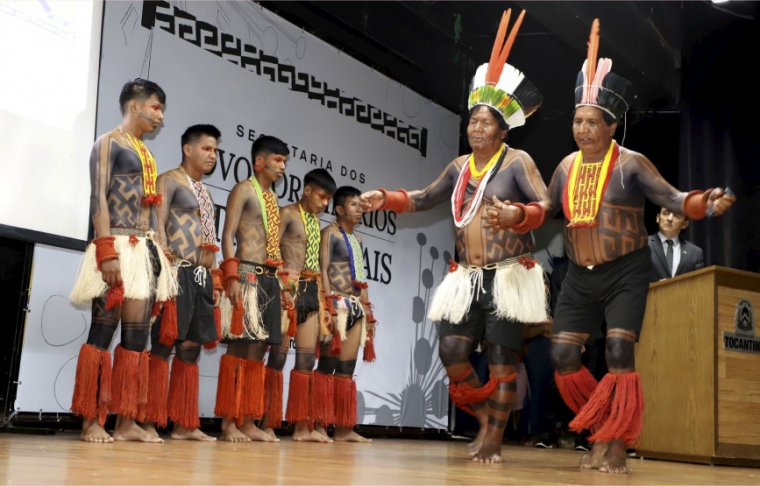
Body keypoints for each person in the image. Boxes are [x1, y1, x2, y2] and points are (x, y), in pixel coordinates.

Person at [547, 19, 735, 474]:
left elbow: (671, 197)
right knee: (563, 355)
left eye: (592, 122)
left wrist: (701, 202)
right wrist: (516, 214)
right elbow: (543, 207)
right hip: (578, 274)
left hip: (626, 271)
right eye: (577, 120)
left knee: (616, 352)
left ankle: (613, 442)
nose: (583, 129)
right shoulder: (565, 166)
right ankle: (603, 426)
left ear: (612, 126)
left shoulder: (632, 164)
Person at [361, 9, 549, 463]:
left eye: (486, 124)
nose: (476, 129)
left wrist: (517, 213)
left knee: (504, 359)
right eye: (472, 122)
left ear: (503, 130)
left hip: (508, 275)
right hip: (465, 276)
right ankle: (488, 414)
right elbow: (425, 197)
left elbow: (545, 207)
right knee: (451, 350)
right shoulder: (459, 167)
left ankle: (495, 436)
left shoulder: (517, 161)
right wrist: (386, 197)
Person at [69, 78, 176, 443]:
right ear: (135, 106)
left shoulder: (145, 152)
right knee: (102, 330)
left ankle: (126, 420)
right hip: (115, 243)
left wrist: (159, 251)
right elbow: (98, 198)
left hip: (143, 251)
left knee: (136, 337)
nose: (160, 115)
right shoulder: (108, 142)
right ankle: (90, 420)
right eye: (156, 107)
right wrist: (105, 251)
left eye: (161, 109)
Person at [142, 124, 223, 442]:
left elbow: (210, 238)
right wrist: (163, 270)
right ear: (188, 149)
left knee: (190, 350)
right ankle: (148, 420)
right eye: (206, 148)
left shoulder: (206, 191)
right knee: (162, 346)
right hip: (176, 271)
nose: (212, 155)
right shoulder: (169, 180)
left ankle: (184, 423)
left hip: (202, 277)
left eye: (215, 150)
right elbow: (157, 226)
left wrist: (215, 279)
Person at [215, 135, 288, 442]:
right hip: (245, 273)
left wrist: (283, 284)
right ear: (260, 161)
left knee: (258, 351)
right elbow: (228, 235)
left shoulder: (273, 200)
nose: (282, 167)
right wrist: (231, 277)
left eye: (284, 162)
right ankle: (229, 422)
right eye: (278, 161)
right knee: (238, 348)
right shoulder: (244, 189)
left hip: (270, 278)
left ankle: (247, 420)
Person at [260, 169, 337, 442]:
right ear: (306, 190)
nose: (325, 203)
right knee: (278, 357)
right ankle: (267, 423)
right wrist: (282, 284)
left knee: (306, 359)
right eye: (322, 196)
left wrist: (325, 303)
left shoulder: (316, 222)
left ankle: (302, 427)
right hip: (287, 289)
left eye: (329, 199)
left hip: (311, 290)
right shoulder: (288, 213)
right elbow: (271, 249)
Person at [316, 186, 377, 443]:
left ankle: (343, 428)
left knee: (346, 368)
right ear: (339, 209)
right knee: (328, 365)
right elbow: (323, 268)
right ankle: (318, 425)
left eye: (360, 205)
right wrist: (328, 305)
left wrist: (368, 311)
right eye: (354, 205)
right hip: (336, 305)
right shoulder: (329, 234)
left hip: (354, 305)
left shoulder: (358, 240)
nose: (360, 209)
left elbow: (360, 280)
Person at [649, 207, 704, 281]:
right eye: (666, 213)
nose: (669, 219)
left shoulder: (695, 253)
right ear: (658, 218)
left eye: (676, 216)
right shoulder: (641, 245)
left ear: (685, 224)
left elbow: (700, 285)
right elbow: (632, 280)